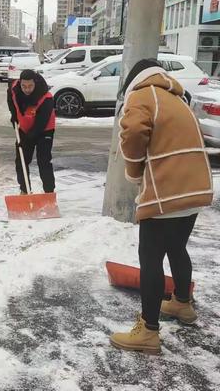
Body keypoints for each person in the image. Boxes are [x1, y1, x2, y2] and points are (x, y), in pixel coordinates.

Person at [110, 59, 213, 354]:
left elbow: (132, 135)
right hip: (195, 187)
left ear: (132, 79)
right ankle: (182, 303)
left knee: (150, 258)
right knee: (177, 247)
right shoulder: (175, 97)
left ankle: (148, 331)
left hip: (167, 191)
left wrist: (133, 172)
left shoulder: (143, 95)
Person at [7, 69, 56, 195]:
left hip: (44, 130)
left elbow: (40, 124)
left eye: (30, 86)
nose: (27, 89)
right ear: (20, 83)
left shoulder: (46, 98)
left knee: (43, 160)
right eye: (24, 86)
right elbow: (11, 101)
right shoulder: (14, 89)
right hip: (24, 128)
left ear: (35, 83)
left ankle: (49, 192)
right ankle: (25, 190)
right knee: (21, 160)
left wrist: (28, 139)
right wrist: (14, 116)